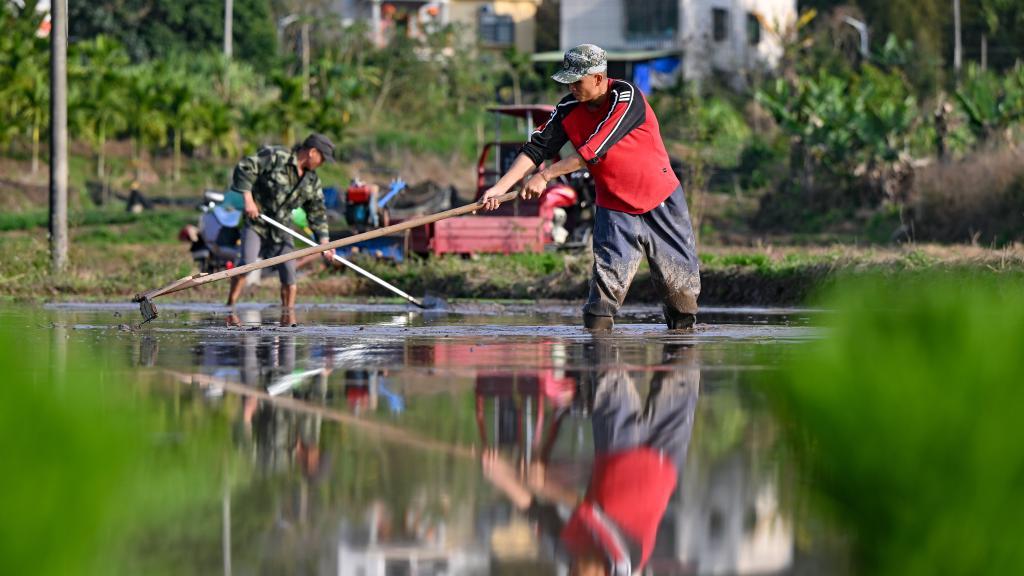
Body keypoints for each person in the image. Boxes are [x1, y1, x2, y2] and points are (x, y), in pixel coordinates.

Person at [479, 44, 700, 330]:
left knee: (681, 300)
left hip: (661, 200)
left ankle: (681, 341)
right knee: (599, 308)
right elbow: (536, 149)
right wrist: (500, 187)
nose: (571, 88)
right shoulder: (567, 109)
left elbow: (594, 149)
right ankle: (598, 351)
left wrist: (545, 176)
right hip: (614, 206)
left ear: (598, 78)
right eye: (568, 82)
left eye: (577, 81)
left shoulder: (626, 97)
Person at [481, 342, 700, 575]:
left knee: (606, 362)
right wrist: (544, 485)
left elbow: (536, 512)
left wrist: (503, 478)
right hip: (664, 458)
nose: (574, 570)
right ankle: (682, 325)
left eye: (571, 573)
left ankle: (601, 324)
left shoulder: (566, 551)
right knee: (683, 363)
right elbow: (590, 513)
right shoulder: (625, 562)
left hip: (615, 449)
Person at [225, 133, 336, 312]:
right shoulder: (277, 156)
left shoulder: (312, 180)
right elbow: (245, 167)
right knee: (246, 263)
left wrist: (324, 242)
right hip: (257, 223)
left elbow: (317, 212)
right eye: (322, 159)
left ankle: (288, 315)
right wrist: (248, 200)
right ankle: (230, 307)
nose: (322, 163)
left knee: (289, 272)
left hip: (282, 228)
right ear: (312, 152)